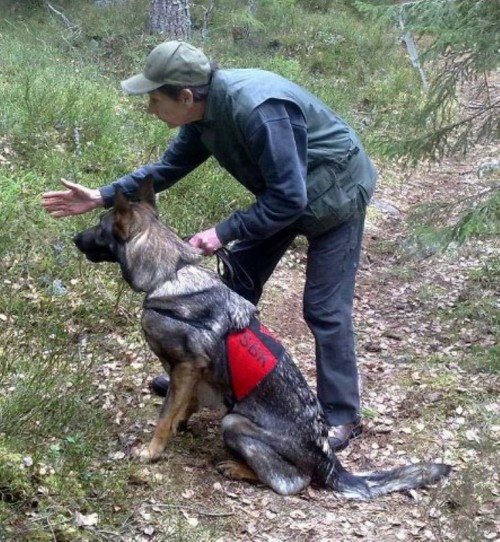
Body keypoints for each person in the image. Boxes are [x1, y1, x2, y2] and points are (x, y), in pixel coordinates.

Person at [42, 40, 378, 452]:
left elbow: (291, 198)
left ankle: (342, 416)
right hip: (283, 196)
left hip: (337, 195)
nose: (150, 109)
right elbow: (166, 169)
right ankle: (202, 379)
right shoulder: (203, 116)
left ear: (184, 96)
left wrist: (223, 232)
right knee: (234, 287)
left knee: (324, 309)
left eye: (154, 98)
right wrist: (100, 196)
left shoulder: (258, 111)